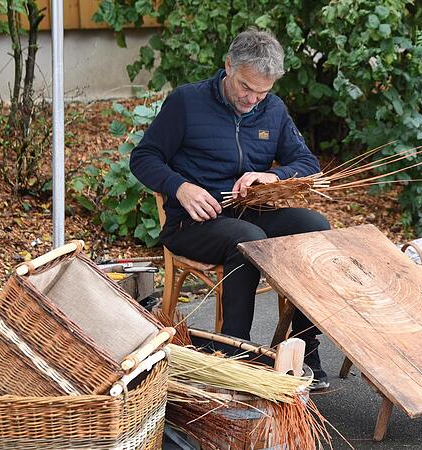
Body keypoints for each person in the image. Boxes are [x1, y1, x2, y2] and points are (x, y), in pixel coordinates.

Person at [130, 29, 331, 389]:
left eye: (262, 92)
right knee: (248, 239)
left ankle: (305, 346)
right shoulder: (186, 103)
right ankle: (236, 354)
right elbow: (143, 157)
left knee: (316, 227)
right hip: (193, 223)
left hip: (249, 213)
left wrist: (274, 177)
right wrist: (181, 187)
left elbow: (307, 163)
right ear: (228, 66)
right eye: (245, 87)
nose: (252, 99)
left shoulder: (272, 109)